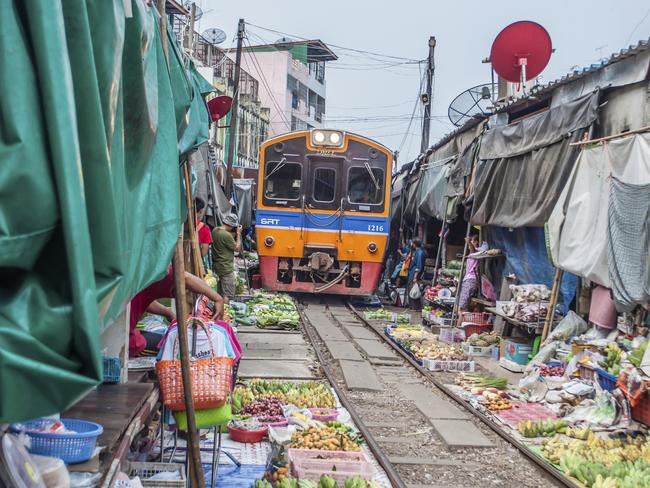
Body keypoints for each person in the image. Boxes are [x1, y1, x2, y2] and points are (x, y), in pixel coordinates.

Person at [129, 267, 224, 357]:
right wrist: (217, 298)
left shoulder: (138, 274)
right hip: (128, 341)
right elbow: (184, 277)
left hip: (127, 335)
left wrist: (168, 313)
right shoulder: (151, 269)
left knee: (163, 339)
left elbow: (144, 299)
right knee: (168, 346)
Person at [211, 213, 241, 302]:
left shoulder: (215, 230)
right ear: (232, 225)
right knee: (228, 294)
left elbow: (226, 240)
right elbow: (237, 248)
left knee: (220, 293)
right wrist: (238, 234)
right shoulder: (226, 235)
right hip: (226, 267)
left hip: (217, 266)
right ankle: (226, 313)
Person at [458, 234, 481, 312]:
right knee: (462, 307)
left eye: (472, 240)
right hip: (468, 280)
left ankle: (460, 324)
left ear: (476, 242)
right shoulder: (473, 253)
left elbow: (473, 250)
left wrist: (469, 243)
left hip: (470, 280)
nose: (470, 242)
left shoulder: (477, 252)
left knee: (461, 308)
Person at [407, 239, 426, 310]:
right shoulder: (418, 251)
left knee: (414, 290)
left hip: (414, 274)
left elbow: (419, 266)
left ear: (414, 244)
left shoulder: (420, 252)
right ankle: (413, 306)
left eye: (412, 243)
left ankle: (416, 307)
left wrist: (415, 276)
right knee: (412, 289)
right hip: (412, 272)